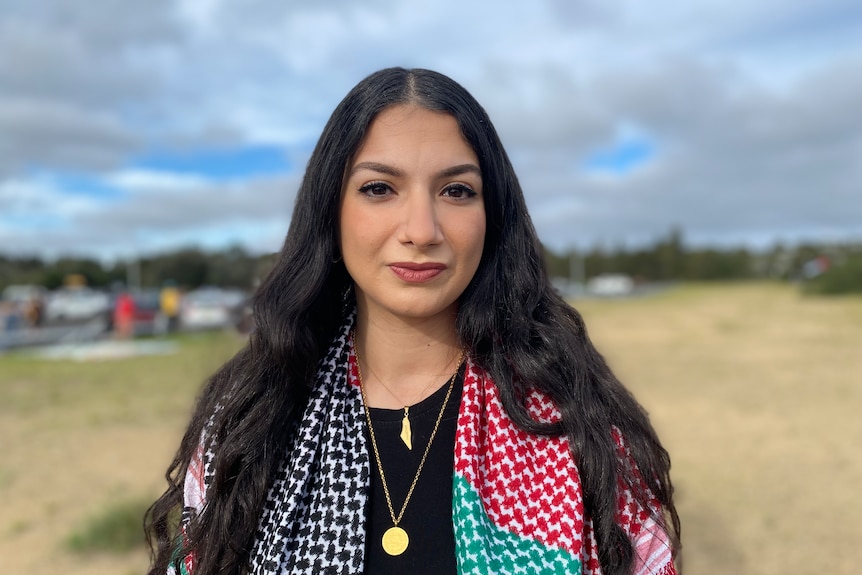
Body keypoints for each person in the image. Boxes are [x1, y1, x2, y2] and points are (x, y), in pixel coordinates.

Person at [146, 67, 680, 575]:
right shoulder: (250, 419)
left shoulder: (577, 422)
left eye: (456, 191)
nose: (421, 229)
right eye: (380, 188)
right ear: (330, 211)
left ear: (492, 216)